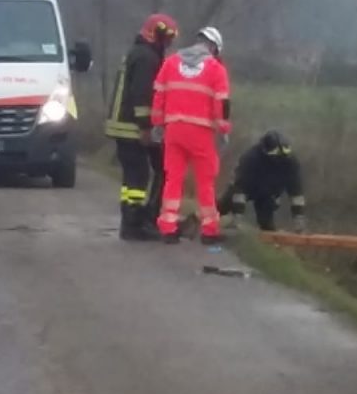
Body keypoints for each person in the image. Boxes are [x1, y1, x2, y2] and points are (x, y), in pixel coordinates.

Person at [151, 26, 231, 245]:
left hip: (174, 130)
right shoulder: (216, 69)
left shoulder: (171, 62)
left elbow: (159, 95)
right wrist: (223, 130)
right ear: (214, 47)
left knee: (173, 178)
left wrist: (158, 124)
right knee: (205, 181)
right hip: (200, 133)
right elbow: (221, 104)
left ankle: (167, 227)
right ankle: (209, 230)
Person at [104, 13, 179, 241]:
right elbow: (142, 95)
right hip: (132, 127)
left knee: (132, 179)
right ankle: (136, 225)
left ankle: (132, 223)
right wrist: (147, 128)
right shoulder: (147, 58)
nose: (169, 43)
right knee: (140, 176)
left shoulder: (137, 53)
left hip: (123, 125)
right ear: (156, 34)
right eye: (167, 38)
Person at [218, 130, 307, 233]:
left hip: (269, 193)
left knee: (267, 223)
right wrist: (237, 218)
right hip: (247, 187)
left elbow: (296, 193)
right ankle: (205, 219)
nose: (279, 160)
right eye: (275, 156)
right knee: (224, 205)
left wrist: (299, 219)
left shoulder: (291, 162)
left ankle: (269, 241)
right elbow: (239, 188)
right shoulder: (251, 158)